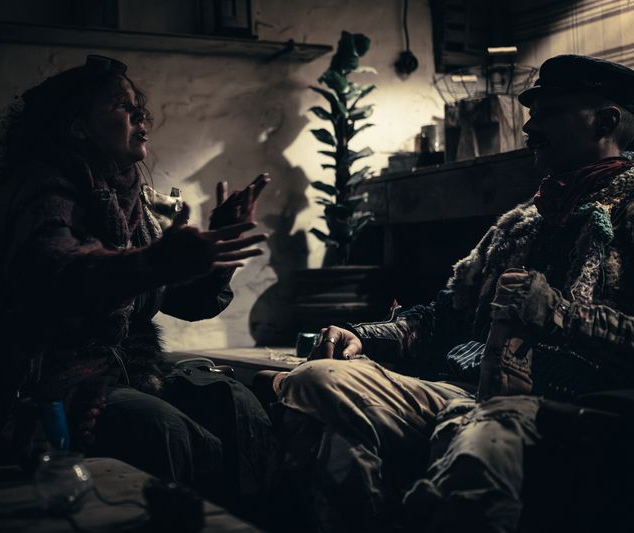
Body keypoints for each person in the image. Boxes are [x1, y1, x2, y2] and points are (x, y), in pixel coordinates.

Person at [268, 54, 634, 532]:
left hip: (554, 407)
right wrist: (364, 336)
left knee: (480, 443)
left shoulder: (628, 213)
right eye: (531, 114)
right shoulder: (521, 224)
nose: (529, 128)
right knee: (315, 379)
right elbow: (443, 315)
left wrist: (559, 314)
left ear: (605, 122)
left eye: (550, 112)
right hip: (459, 390)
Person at [0, 55, 274, 513]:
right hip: (48, 379)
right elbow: (61, 275)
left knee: (236, 402)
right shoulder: (41, 188)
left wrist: (218, 243)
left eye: (139, 106)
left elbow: (184, 300)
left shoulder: (130, 201)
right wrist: (157, 261)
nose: (140, 115)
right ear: (77, 126)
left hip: (129, 371)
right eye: (122, 105)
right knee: (161, 428)